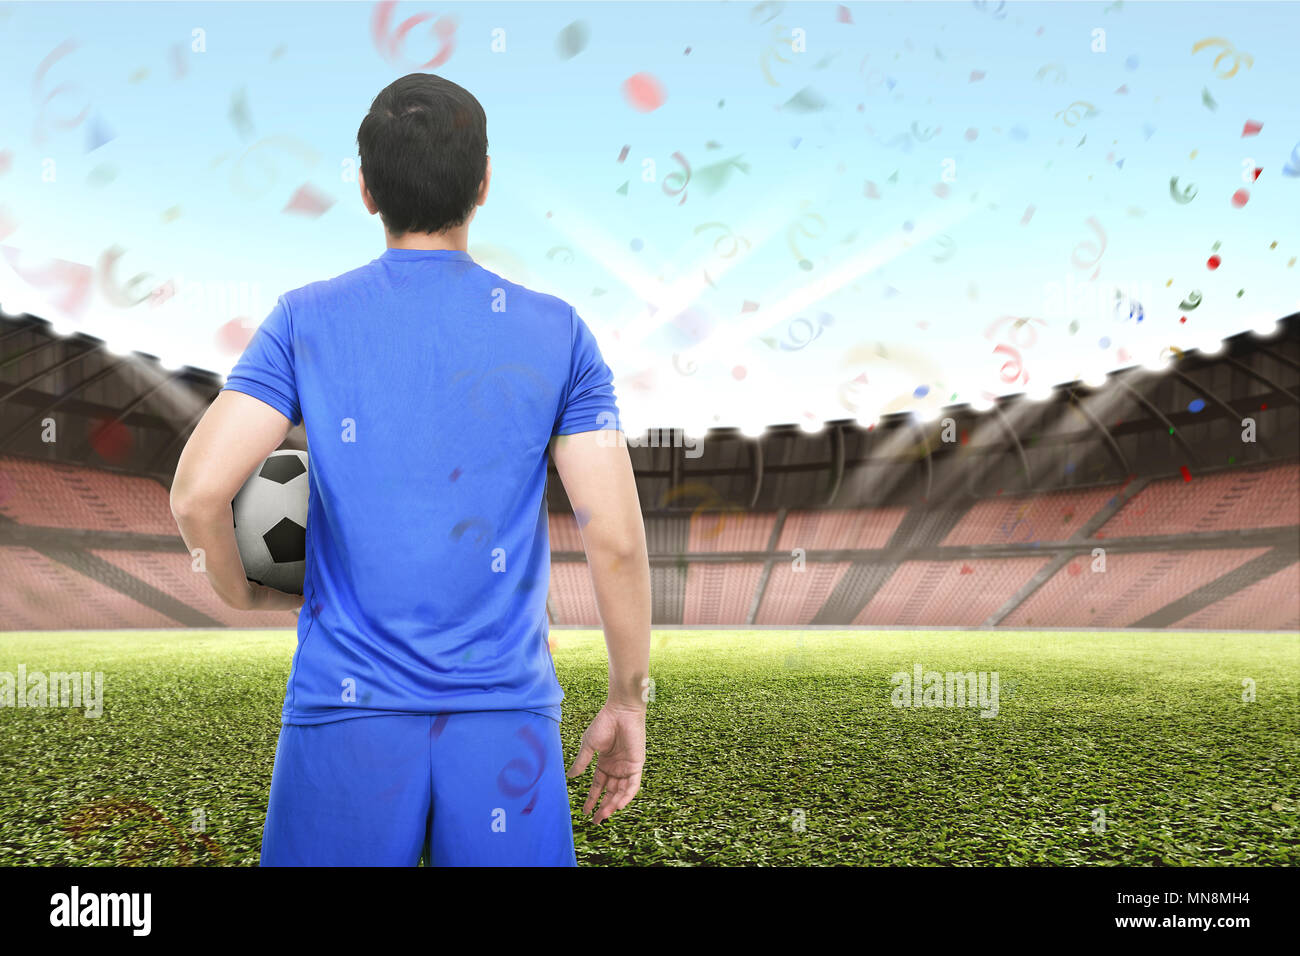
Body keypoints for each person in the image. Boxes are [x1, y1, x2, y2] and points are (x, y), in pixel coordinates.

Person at [170, 72, 651, 866]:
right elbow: (618, 542)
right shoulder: (558, 332)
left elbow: (198, 493)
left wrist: (239, 590)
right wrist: (627, 700)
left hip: (343, 714)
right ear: (484, 181)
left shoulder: (304, 318)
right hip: (506, 723)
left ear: (366, 191)